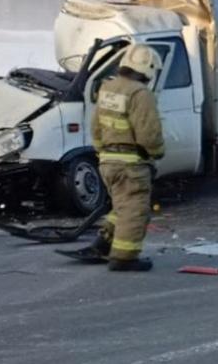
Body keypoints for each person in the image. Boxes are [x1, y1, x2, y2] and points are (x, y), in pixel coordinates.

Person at [69, 44, 165, 272]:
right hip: (131, 164)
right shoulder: (141, 94)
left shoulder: (108, 89)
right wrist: (156, 152)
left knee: (122, 206)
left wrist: (103, 152)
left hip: (107, 162)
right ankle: (124, 256)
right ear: (148, 68)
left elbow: (96, 127)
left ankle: (102, 245)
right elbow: (148, 133)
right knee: (134, 209)